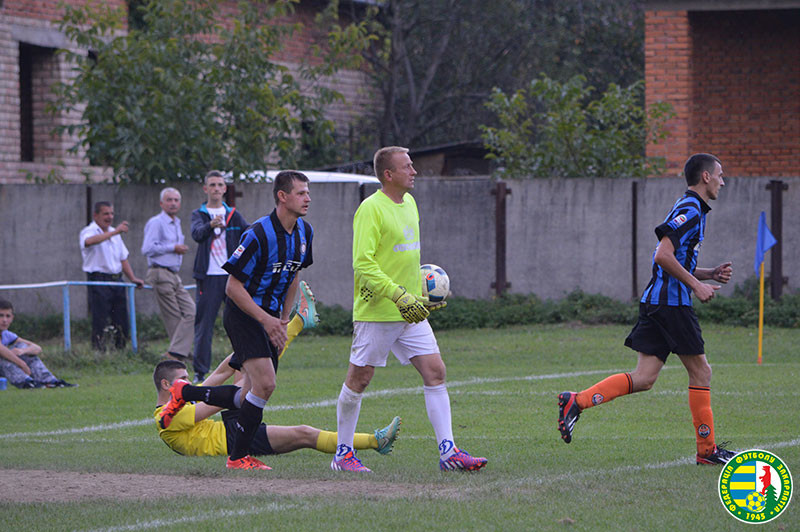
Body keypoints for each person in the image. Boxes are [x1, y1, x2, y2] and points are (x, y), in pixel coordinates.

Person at [557, 153, 737, 465]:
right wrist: (696, 285)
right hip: (671, 304)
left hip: (659, 302)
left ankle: (577, 401)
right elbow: (662, 255)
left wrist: (707, 274)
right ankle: (706, 451)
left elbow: (676, 258)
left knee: (644, 378)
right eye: (720, 175)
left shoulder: (694, 209)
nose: (723, 180)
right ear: (705, 177)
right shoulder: (691, 208)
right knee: (701, 372)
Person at [332, 146, 487, 473]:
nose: (414, 171)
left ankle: (449, 454)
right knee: (359, 379)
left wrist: (419, 296)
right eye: (407, 166)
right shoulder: (370, 209)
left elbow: (405, 260)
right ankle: (343, 455)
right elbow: (363, 264)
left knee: (436, 371)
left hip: (410, 312)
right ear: (388, 175)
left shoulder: (411, 203)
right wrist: (398, 295)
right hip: (378, 311)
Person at [161, 171, 314, 470]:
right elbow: (232, 287)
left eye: (308, 193)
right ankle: (238, 457)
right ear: (282, 197)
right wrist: (265, 321)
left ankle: (184, 391)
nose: (307, 198)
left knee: (248, 395)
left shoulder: (305, 232)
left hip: (269, 318)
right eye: (301, 193)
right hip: (244, 315)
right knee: (266, 385)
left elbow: (294, 274)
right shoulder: (257, 234)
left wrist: (282, 319)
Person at [153, 356, 401, 459]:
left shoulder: (182, 399)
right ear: (166, 384)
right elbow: (217, 402)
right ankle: (374, 441)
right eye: (183, 378)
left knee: (249, 367)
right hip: (230, 440)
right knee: (304, 433)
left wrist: (247, 342)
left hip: (230, 430)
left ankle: (292, 327)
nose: (188, 383)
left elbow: (220, 372)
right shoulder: (166, 416)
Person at [190, 171, 248, 383]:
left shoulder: (233, 213)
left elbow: (248, 233)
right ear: (206, 189)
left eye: (219, 185)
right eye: (212, 185)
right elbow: (196, 234)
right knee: (204, 324)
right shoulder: (199, 214)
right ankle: (200, 371)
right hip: (209, 277)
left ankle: (243, 363)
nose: (216, 188)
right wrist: (210, 225)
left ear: (225, 189)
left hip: (231, 277)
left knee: (240, 321)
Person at [79, 201, 144, 350]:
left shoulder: (115, 233)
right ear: (96, 215)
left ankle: (121, 350)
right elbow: (89, 242)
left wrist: (132, 278)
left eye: (111, 213)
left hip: (117, 280)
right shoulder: (89, 231)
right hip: (99, 279)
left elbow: (123, 258)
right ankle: (98, 351)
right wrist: (115, 232)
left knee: (121, 319)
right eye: (106, 213)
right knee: (100, 318)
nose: (109, 217)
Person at [142, 187, 196, 362]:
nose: (173, 203)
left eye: (176, 200)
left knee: (191, 311)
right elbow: (147, 248)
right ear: (161, 203)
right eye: (169, 200)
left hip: (173, 274)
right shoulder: (156, 222)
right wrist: (173, 248)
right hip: (160, 272)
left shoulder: (177, 222)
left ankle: (177, 352)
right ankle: (177, 355)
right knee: (173, 316)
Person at [0, 299, 75, 388]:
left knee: (23, 347)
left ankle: (50, 381)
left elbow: (37, 348)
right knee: (4, 357)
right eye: (1, 316)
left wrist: (22, 351)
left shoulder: (7, 334)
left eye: (8, 316)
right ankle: (27, 383)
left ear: (12, 318)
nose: (4, 320)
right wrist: (22, 364)